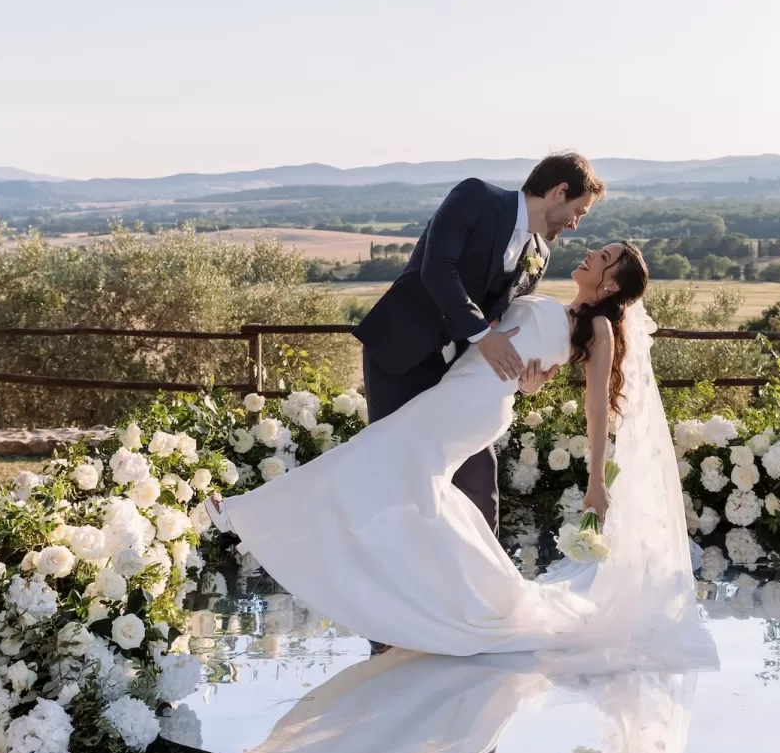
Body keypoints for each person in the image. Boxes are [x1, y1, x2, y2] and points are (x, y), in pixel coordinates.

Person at [210, 241, 714, 666]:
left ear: (611, 285)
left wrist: (596, 480)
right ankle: (484, 601)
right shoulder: (561, 308)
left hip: (473, 406)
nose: (590, 254)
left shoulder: (599, 329)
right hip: (459, 394)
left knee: (369, 455)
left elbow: (597, 407)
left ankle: (243, 513)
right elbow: (516, 353)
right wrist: (530, 381)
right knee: (416, 488)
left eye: (603, 257)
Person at [354, 152, 605, 530]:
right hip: (401, 355)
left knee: (479, 484)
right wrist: (484, 336)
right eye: (578, 211)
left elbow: (508, 320)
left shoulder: (540, 253)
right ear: (559, 192)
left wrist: (526, 378)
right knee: (394, 470)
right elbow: (437, 269)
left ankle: (482, 568)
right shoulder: (476, 198)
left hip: (461, 378)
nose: (575, 224)